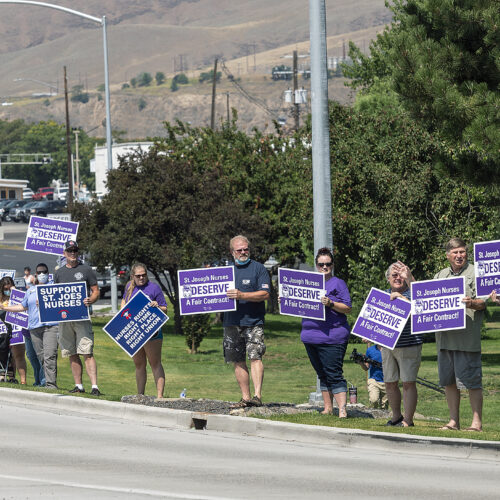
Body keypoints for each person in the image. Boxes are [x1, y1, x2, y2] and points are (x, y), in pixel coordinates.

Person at [434, 238, 486, 432]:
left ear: (466, 253)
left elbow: (485, 301)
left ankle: (476, 423)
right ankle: (453, 421)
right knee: (448, 382)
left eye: (462, 252)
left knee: (472, 382)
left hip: (467, 339)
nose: (459, 255)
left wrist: (471, 303)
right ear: (448, 255)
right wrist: (409, 278)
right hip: (444, 339)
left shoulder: (476, 272)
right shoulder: (440, 275)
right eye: (455, 252)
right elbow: (424, 297)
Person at [300, 248, 352, 416]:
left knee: (334, 373)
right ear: (316, 265)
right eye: (321, 264)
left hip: (333, 337)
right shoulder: (307, 283)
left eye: (328, 264)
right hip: (310, 337)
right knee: (321, 373)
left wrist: (330, 303)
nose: (324, 267)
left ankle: (342, 410)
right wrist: (285, 299)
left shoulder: (338, 283)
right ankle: (328, 408)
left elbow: (348, 308)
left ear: (332, 265)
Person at [224, 235, 270, 408]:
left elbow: (265, 294)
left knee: (255, 356)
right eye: (239, 250)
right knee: (237, 360)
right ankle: (245, 398)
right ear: (232, 252)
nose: (243, 252)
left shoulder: (258, 269)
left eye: (246, 249)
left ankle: (257, 396)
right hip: (231, 322)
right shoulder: (225, 272)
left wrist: (242, 295)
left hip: (253, 322)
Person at [0, 263, 59, 388]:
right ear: (35, 275)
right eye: (39, 272)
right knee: (37, 357)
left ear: (48, 274)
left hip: (50, 327)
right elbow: (22, 306)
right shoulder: (31, 290)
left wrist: (46, 301)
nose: (42, 274)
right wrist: (6, 308)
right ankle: (40, 381)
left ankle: (49, 383)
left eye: (44, 272)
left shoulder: (53, 287)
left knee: (49, 355)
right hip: (32, 329)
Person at [54, 240, 101, 395]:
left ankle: (95, 387)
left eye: (75, 250)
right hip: (65, 319)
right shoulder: (59, 273)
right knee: (71, 352)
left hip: (82, 317)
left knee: (87, 351)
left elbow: (95, 291)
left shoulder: (86, 270)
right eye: (70, 250)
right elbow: (55, 296)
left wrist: (91, 299)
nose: (72, 253)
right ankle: (78, 386)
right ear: (64, 253)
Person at [382, 261, 423, 427]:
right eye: (394, 275)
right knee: (390, 382)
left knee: (408, 382)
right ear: (388, 279)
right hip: (387, 345)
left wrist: (402, 298)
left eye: (400, 275)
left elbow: (421, 310)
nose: (397, 278)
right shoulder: (381, 295)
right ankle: (396, 417)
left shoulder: (413, 294)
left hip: (409, 344)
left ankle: (408, 420)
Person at [121, 263, 167, 399]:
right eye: (138, 276)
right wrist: (122, 309)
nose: (141, 278)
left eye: (143, 275)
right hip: (135, 332)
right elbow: (124, 300)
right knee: (139, 364)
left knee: (155, 363)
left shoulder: (154, 288)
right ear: (132, 276)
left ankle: (160, 396)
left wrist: (157, 306)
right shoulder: (129, 287)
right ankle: (140, 395)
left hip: (152, 332)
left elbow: (165, 308)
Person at [0, 276, 27, 384]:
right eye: (5, 289)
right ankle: (2, 374)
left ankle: (15, 378)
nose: (7, 291)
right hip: (2, 330)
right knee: (2, 352)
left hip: (15, 328)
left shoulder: (17, 297)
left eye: (9, 288)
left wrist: (14, 291)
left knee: (16, 354)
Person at [356, 342, 388, 409]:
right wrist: (361, 363)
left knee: (384, 405)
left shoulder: (390, 350)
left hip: (388, 381)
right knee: (374, 400)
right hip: (374, 380)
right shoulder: (370, 350)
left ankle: (383, 417)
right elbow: (366, 368)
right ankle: (374, 413)